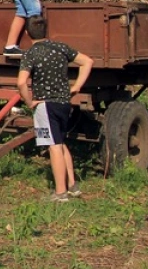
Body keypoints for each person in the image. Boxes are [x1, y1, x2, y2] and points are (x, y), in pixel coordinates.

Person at [16, 14, 94, 202]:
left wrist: (29, 102)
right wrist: (76, 87)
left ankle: (60, 193)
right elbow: (87, 62)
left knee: (54, 146)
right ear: (46, 31)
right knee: (60, 141)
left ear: (27, 33)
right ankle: (72, 185)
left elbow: (21, 83)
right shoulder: (61, 47)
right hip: (63, 103)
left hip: (45, 105)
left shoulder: (31, 53)